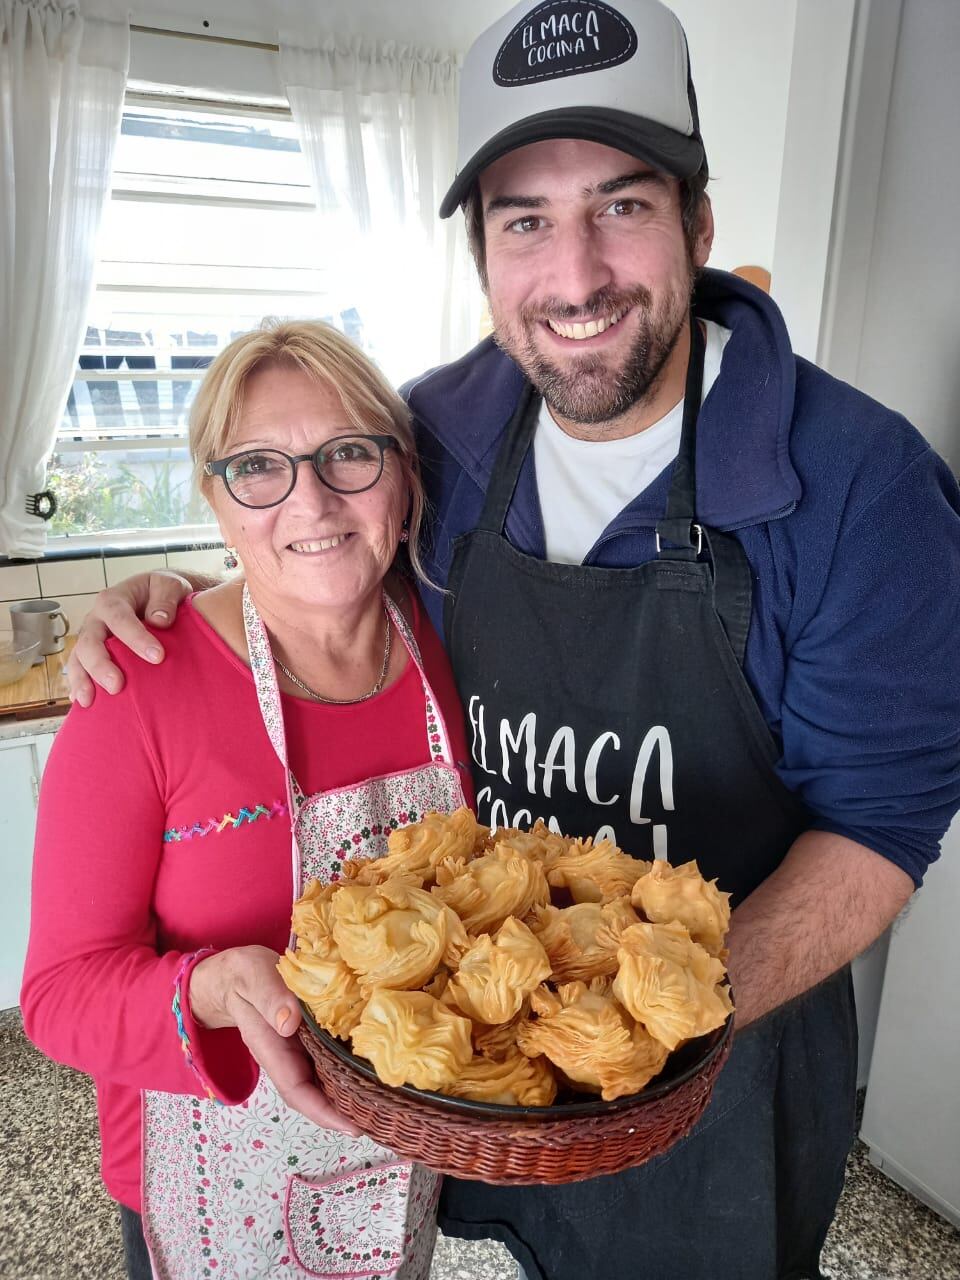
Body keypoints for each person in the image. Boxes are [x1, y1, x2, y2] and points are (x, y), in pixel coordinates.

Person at [64, 1, 960, 1277]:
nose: (577, 272)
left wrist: (637, 1040)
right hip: (467, 1094)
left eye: (623, 204)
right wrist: (183, 587)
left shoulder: (866, 485)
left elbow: (879, 822)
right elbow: (319, 532)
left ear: (700, 223)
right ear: (482, 252)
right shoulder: (440, 430)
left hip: (718, 1089)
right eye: (524, 219)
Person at [22, 321, 474, 1280]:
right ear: (218, 502)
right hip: (211, 1181)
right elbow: (56, 1001)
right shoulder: (137, 692)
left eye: (350, 453)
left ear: (404, 478)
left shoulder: (452, 644)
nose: (310, 499)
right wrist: (214, 990)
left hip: (404, 1162)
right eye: (258, 467)